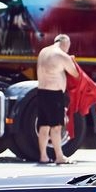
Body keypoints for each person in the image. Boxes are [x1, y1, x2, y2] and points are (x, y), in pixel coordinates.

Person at [35, 34, 79, 164]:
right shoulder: (61, 55)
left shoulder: (43, 51)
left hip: (41, 92)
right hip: (54, 95)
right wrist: (71, 60)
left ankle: (43, 156)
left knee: (44, 126)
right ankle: (59, 157)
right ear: (65, 43)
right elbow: (75, 73)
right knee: (56, 127)